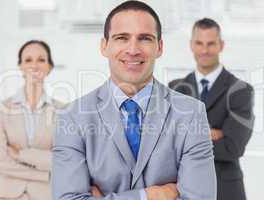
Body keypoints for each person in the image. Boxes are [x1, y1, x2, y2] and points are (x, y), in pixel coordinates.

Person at [52, 1, 216, 200]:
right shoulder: (72, 117)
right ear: (104, 46)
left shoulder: (191, 114)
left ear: (160, 47)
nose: (133, 50)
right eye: (122, 38)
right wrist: (148, 195)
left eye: (145, 38)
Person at [168, 18, 254, 200]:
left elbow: (232, 147)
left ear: (221, 45)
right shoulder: (175, 88)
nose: (204, 50)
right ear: (191, 45)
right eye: (199, 43)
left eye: (211, 44)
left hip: (226, 191)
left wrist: (188, 136)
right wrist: (208, 133)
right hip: (183, 190)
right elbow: (168, 144)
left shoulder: (240, 90)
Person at [0, 40, 62, 200]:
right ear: (21, 67)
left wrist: (20, 154)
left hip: (46, 195)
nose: (34, 66)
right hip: (9, 195)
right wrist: (44, 175)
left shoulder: (63, 111)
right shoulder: (2, 108)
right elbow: (0, 161)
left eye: (41, 60)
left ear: (49, 67)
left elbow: (60, 160)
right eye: (28, 60)